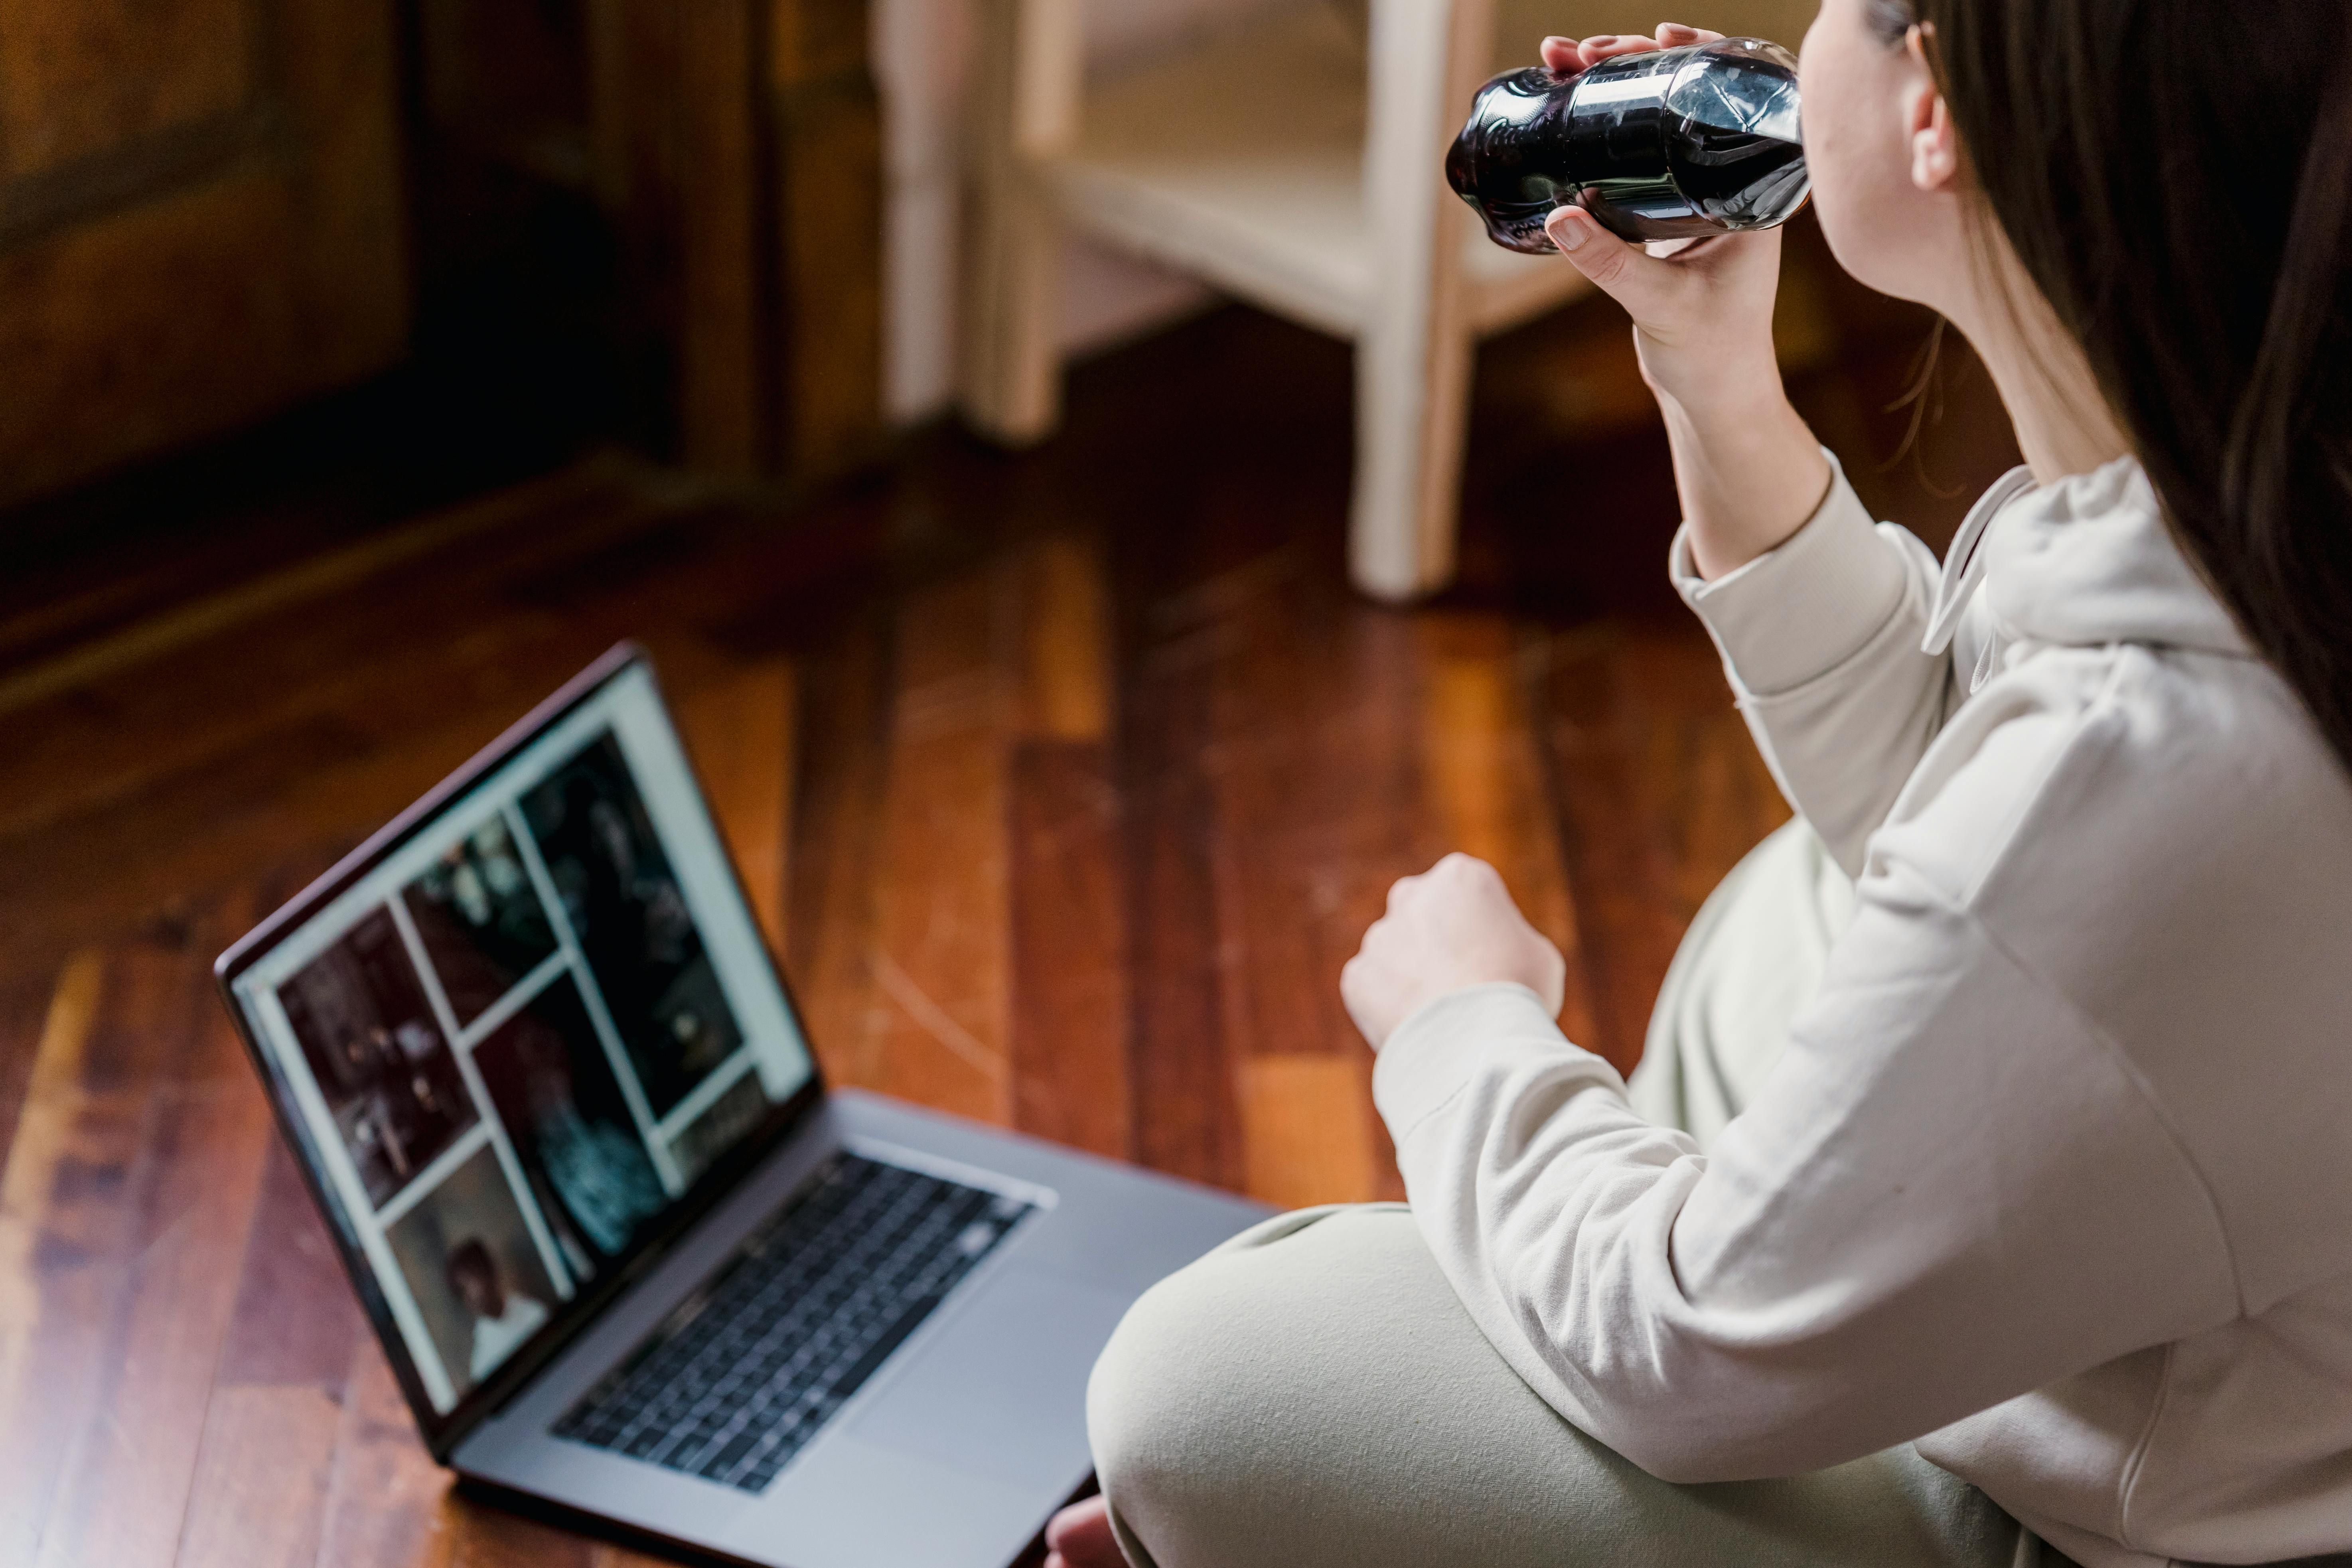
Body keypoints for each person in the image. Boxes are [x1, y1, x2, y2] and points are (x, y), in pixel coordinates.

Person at [1046, 3, 2352, 1566]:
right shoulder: (2249, 492)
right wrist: (1716, 379)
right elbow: (1970, 803)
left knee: (1208, 1387)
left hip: (2116, 1530)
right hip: (2226, 1355)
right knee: (1790, 912)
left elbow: (1682, 1345)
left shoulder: (2170, 772)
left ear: (1930, 108)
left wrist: (1465, 1027)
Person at [447, 1237, 550, 1384]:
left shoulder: (535, 1314)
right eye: (464, 1290)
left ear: (490, 1272)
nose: (475, 1294)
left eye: (475, 1277)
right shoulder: (481, 1364)